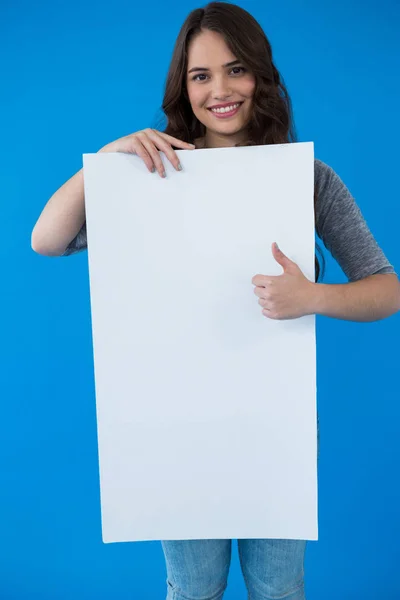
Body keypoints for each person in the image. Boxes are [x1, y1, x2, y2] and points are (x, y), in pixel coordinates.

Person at [31, 2, 399, 598]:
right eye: (201, 76)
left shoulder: (308, 178)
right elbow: (46, 240)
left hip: (275, 421)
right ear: (184, 87)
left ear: (261, 76)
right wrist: (107, 160)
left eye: (236, 70)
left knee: (279, 589)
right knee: (194, 588)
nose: (220, 90)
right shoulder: (153, 173)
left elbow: (386, 289)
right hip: (177, 423)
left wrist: (311, 297)